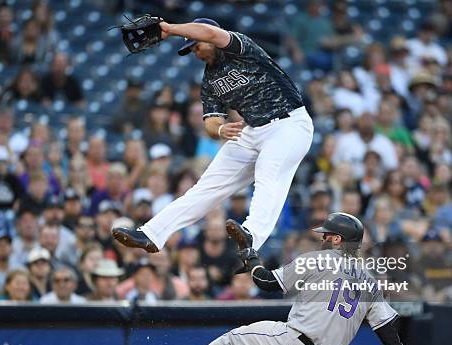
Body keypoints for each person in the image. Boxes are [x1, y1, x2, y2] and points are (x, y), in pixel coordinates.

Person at [149, 214, 422, 345]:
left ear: (338, 239)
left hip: (292, 344)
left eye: (327, 234)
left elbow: (267, 283)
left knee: (231, 339)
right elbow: (389, 334)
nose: (322, 237)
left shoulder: (317, 258)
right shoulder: (370, 281)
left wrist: (250, 257)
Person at [113, 18, 314, 255]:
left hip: (288, 124)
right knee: (206, 187)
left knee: (268, 172)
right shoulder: (209, 80)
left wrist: (170, 29)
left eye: (197, 46)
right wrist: (220, 130)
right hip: (250, 131)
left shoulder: (241, 48)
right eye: (191, 49)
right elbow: (210, 121)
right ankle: (152, 234)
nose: (195, 53)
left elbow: (209, 32)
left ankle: (252, 235)